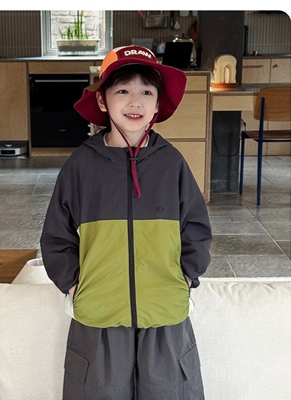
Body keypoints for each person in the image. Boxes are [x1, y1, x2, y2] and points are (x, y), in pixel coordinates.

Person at [40, 45, 212, 400]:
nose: (135, 101)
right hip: (99, 314)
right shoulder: (81, 165)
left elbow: (196, 228)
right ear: (102, 100)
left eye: (146, 92)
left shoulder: (172, 163)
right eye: (122, 90)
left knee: (170, 392)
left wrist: (185, 277)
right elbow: (56, 235)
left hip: (164, 312)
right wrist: (73, 284)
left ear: (157, 103)